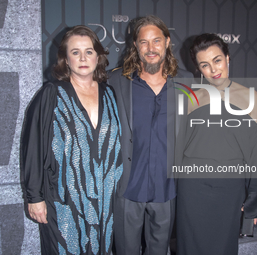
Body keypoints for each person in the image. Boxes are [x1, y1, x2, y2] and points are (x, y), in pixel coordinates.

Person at [21, 25, 122, 255]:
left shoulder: (110, 94)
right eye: (75, 52)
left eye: (89, 51)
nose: (83, 58)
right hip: (63, 200)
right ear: (66, 59)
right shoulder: (51, 94)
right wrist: (34, 197)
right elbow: (33, 147)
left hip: (105, 202)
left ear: (98, 56)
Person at [107, 15, 193, 255]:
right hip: (127, 186)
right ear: (135, 45)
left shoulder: (188, 82)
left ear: (167, 42)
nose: (150, 48)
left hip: (167, 187)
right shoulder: (115, 81)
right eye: (143, 42)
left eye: (156, 40)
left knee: (160, 250)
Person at [176, 33, 257, 255]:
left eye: (217, 60)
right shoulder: (190, 98)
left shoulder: (250, 98)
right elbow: (177, 148)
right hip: (192, 187)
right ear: (198, 69)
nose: (213, 69)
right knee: (190, 247)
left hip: (229, 188)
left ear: (227, 57)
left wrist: (253, 203)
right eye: (204, 65)